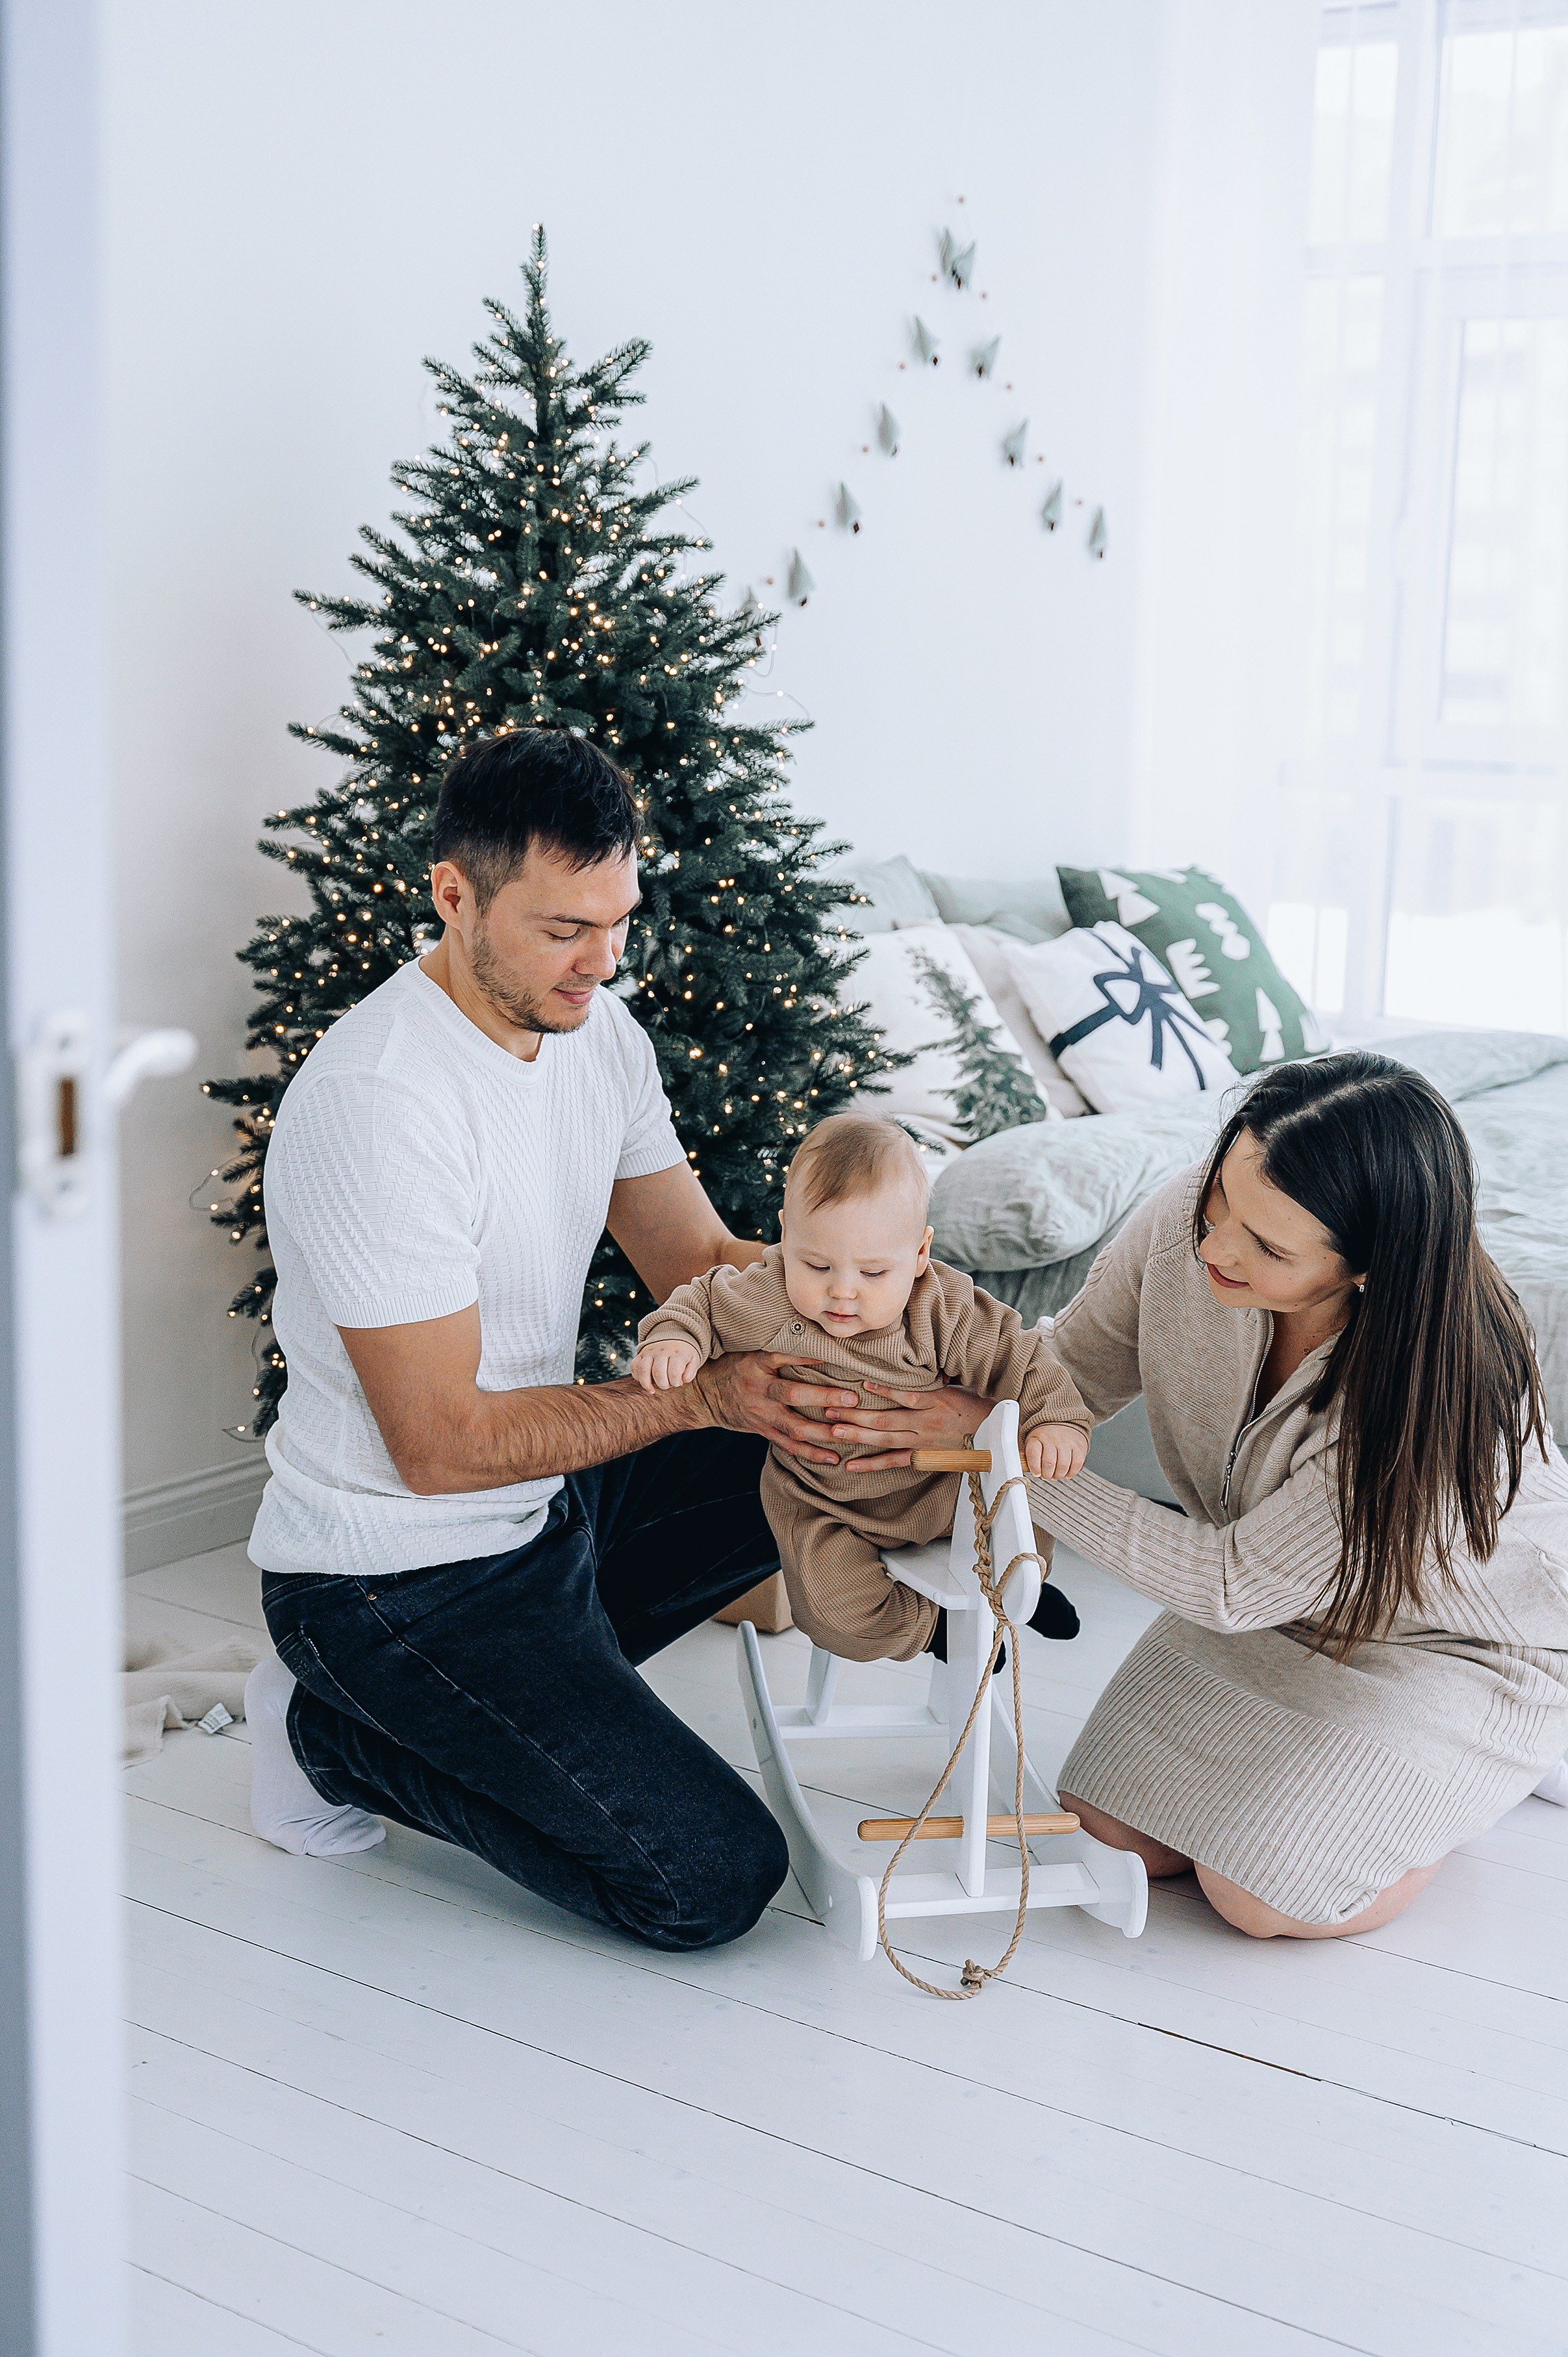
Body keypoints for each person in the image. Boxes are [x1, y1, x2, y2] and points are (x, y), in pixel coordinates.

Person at [242, 727, 984, 1952]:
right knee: (707, 1880)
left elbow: (693, 1259)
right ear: (453, 895)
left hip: (546, 1508)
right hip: (390, 1580)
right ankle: (328, 1735)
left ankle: (528, 1683)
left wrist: (901, 1294)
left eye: (617, 919)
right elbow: (437, 1444)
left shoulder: (601, 1035)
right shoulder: (383, 1103)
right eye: (560, 929)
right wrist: (708, 1399)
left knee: (824, 1422)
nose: (599, 959)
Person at [1024, 1053, 1568, 1940]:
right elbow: (1068, 1369)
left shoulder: (1436, 1385)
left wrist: (1015, 1468)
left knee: (1258, 1899)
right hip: (1282, 1602)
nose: (1212, 1246)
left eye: (1267, 1246)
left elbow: (1228, 1587)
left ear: (1368, 1267)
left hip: (1462, 1644)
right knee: (1105, 1831)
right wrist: (928, 1388)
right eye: (1219, 1202)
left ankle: (1478, 1772)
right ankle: (1367, 1783)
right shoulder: (1192, 1223)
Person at [631, 1111, 1090, 1660]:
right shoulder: (772, 1294)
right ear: (785, 1237)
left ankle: (1024, 1590)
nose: (842, 1292)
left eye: (873, 1273)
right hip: (826, 1505)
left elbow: (1021, 1357)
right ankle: (933, 1629)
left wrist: (1057, 1418)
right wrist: (675, 1339)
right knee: (830, 1614)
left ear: (920, 1254)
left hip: (942, 1487)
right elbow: (702, 1300)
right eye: (817, 1264)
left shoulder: (940, 1307)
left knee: (1025, 1507)